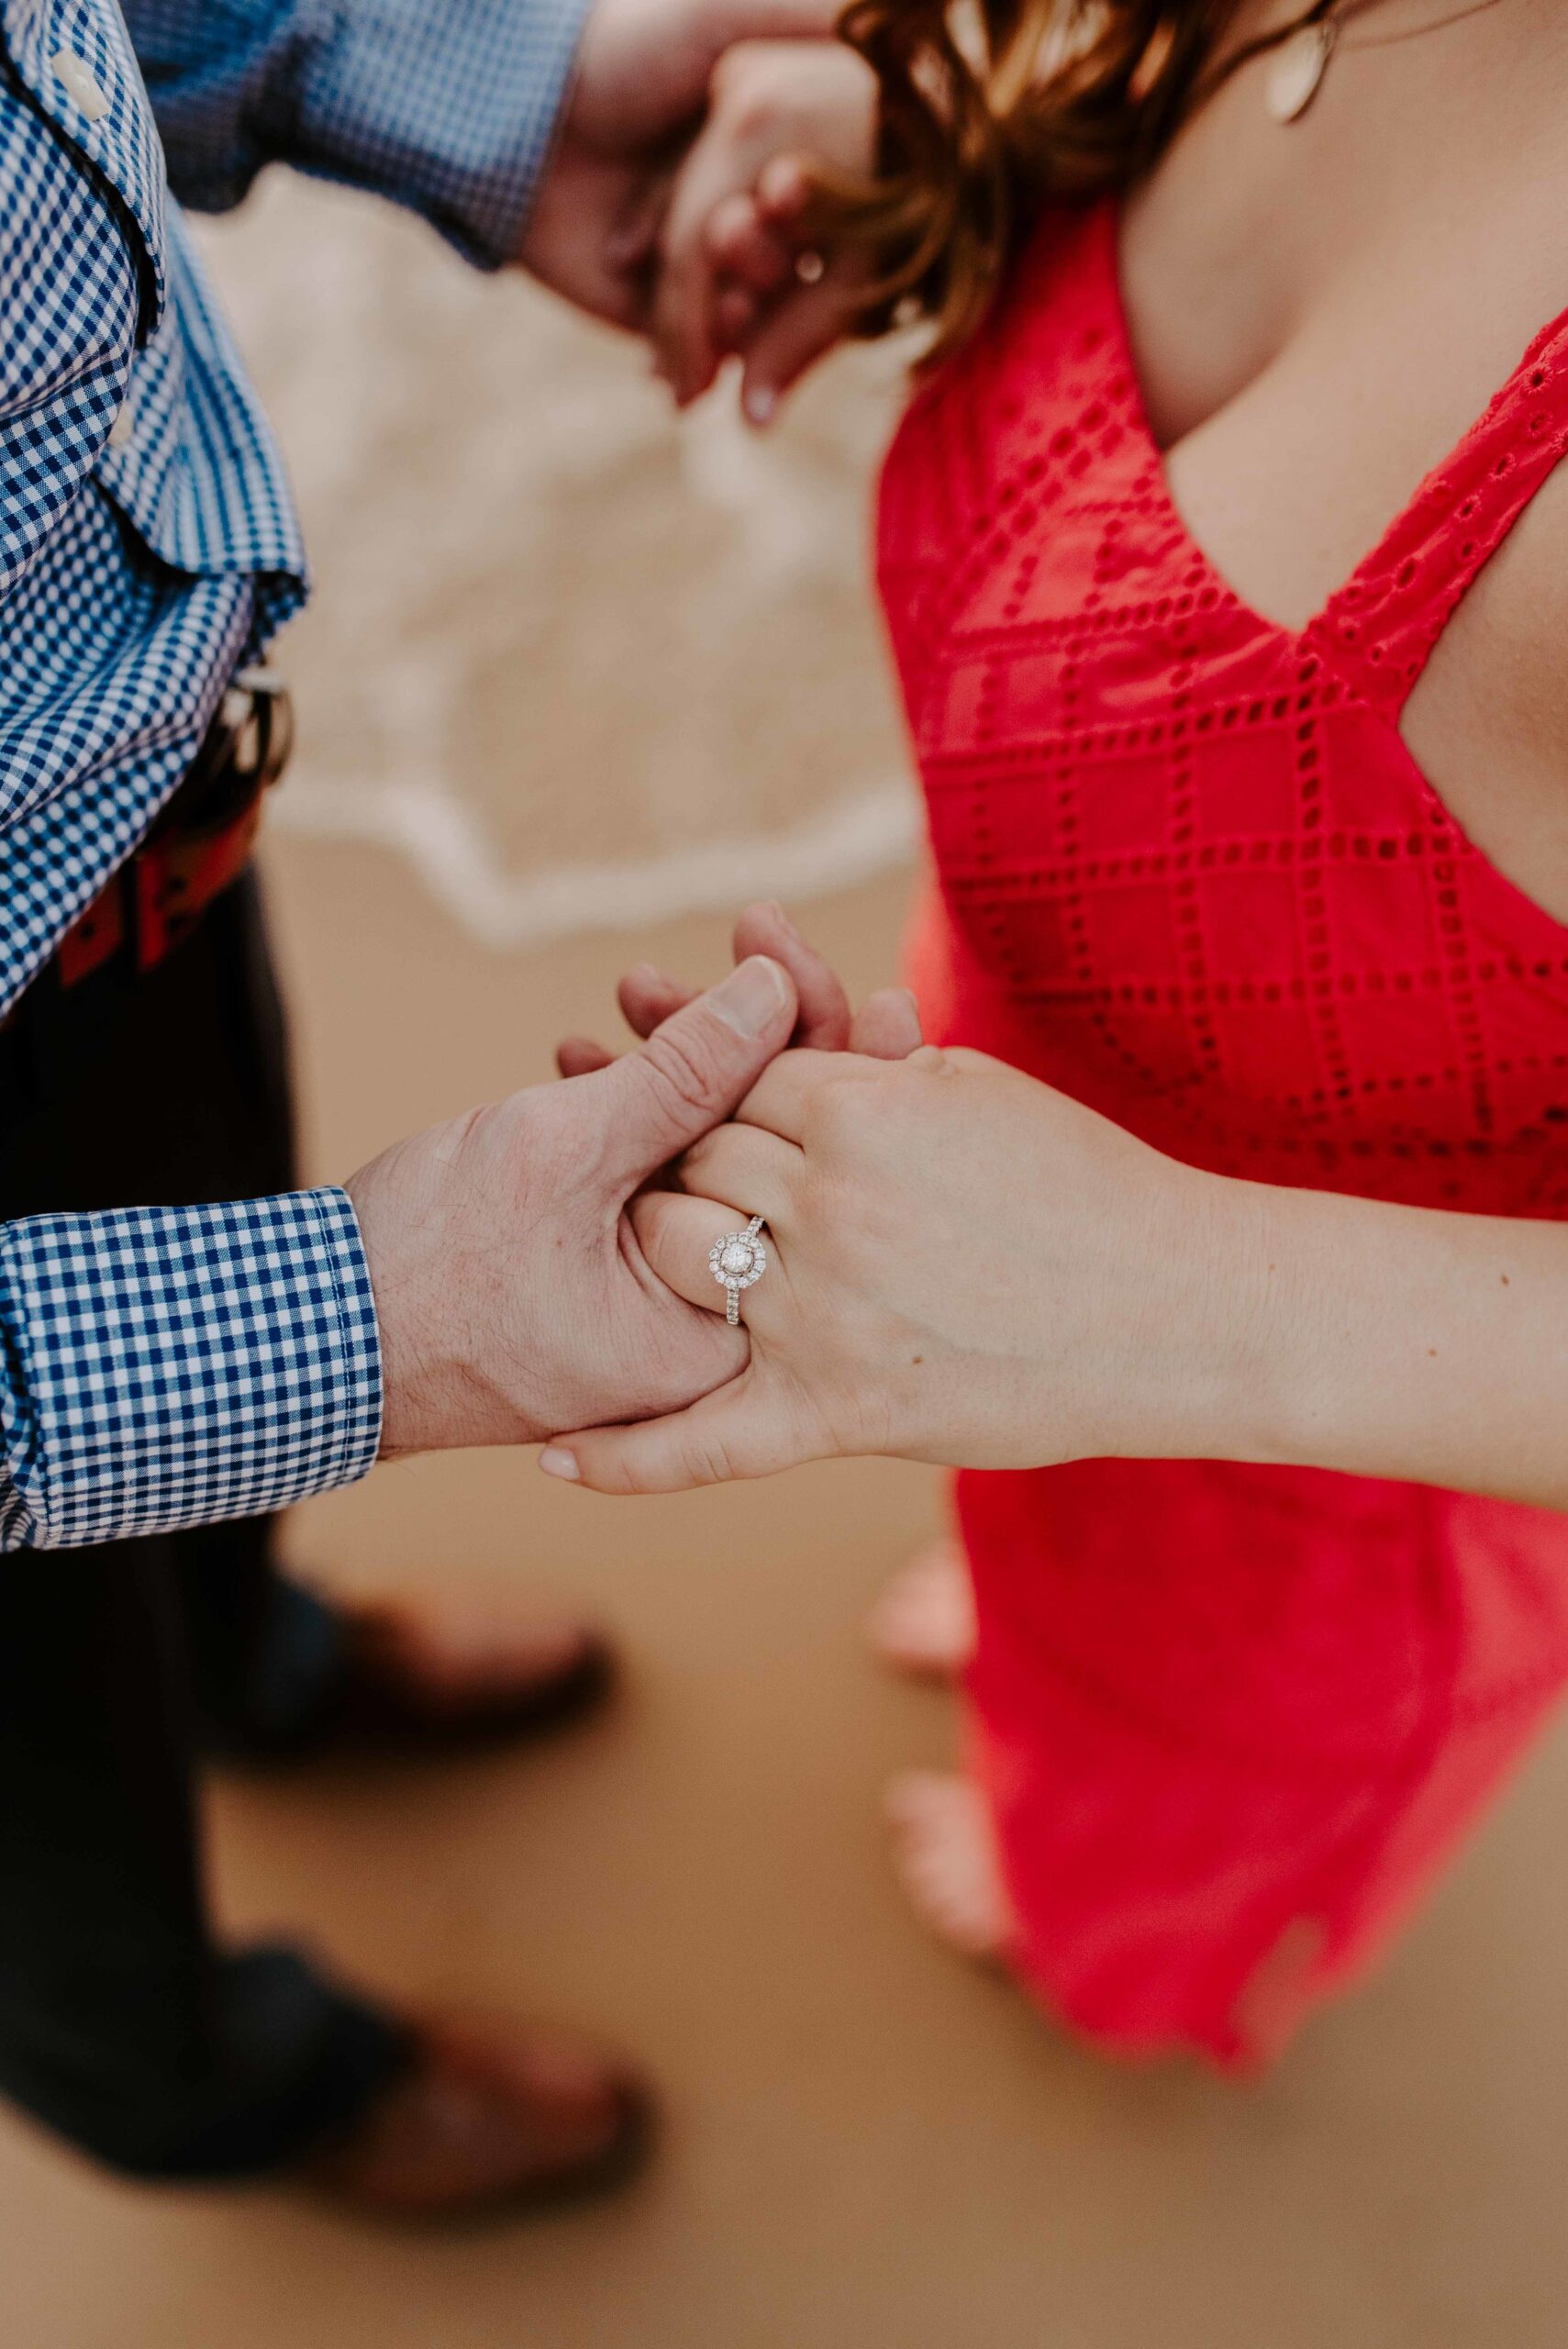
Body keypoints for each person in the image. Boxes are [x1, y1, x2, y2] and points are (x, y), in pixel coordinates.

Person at [546, 0, 1568, 2068]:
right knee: (1043, 1583)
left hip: (1315, 1509)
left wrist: (1154, 1310)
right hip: (1042, 1276)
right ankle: (1038, 1636)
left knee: (1133, 1874)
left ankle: (1101, 1911)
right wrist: (969, 164)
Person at [0, 0, 884, 2219]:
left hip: (129, 837)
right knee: (28, 1759)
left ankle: (246, 1659)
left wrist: (458, 86)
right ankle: (196, 2083)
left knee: (207, 1198)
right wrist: (358, 1324)